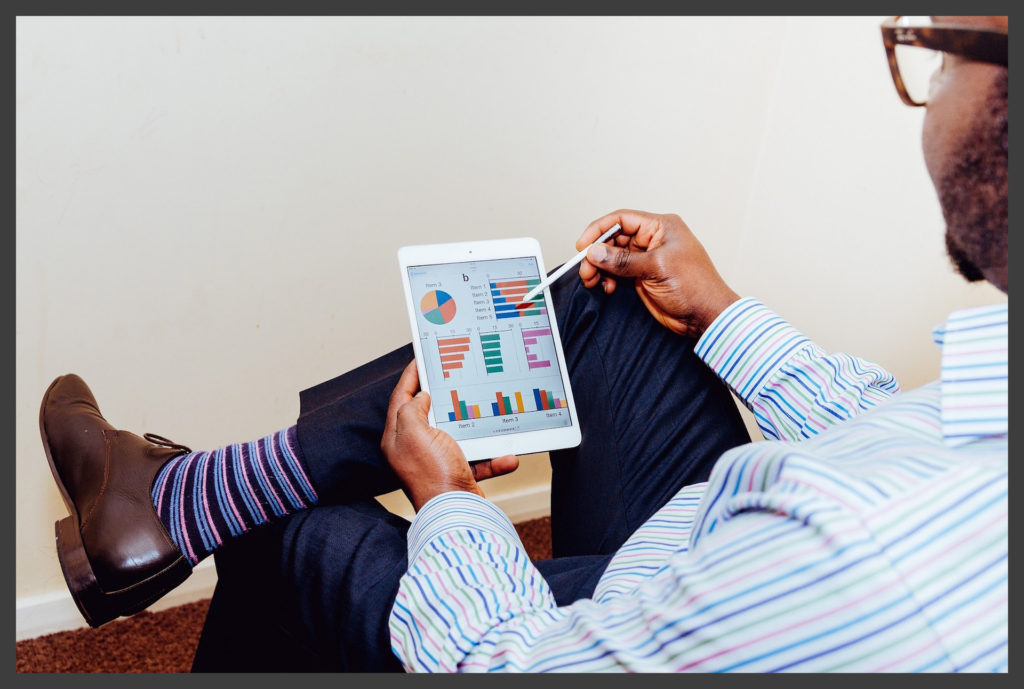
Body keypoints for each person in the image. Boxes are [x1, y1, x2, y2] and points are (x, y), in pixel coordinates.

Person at [38, 16, 1006, 672]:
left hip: (611, 624)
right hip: (712, 555)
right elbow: (891, 431)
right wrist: (720, 309)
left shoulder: (874, 561)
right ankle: (166, 502)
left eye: (946, 52)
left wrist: (450, 502)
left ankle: (186, 502)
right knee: (611, 297)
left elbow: (513, 664)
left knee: (296, 532)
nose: (929, 86)